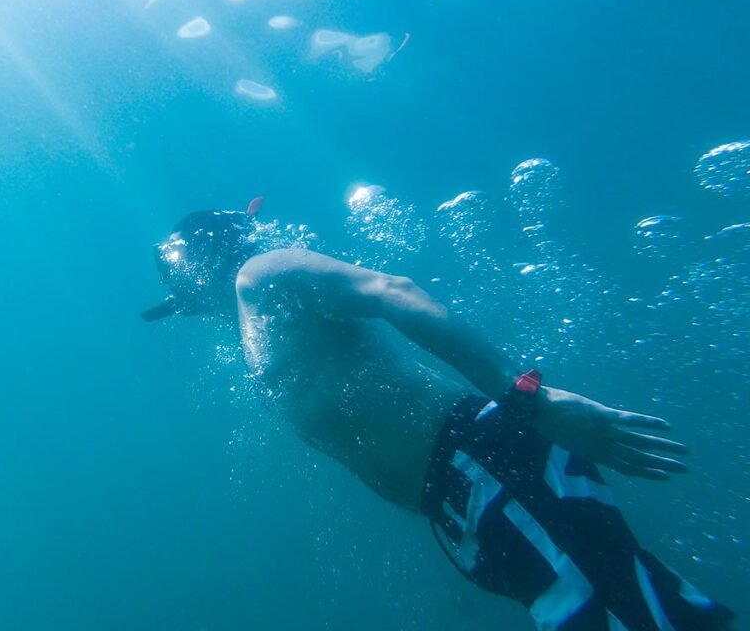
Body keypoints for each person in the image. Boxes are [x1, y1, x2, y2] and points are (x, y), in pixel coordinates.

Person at [142, 202, 736, 630]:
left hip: (487, 461)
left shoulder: (262, 272)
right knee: (634, 613)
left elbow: (392, 291)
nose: (187, 304)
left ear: (203, 257)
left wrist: (530, 398)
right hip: (460, 502)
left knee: (640, 617)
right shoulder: (252, 317)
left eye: (181, 283)